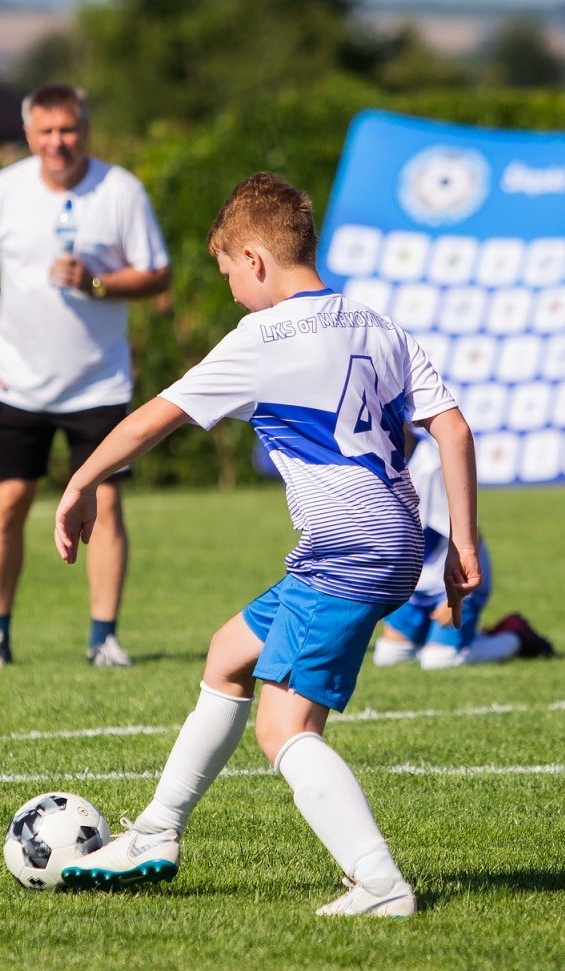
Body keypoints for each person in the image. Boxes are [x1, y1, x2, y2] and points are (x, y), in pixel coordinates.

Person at [51, 173, 482, 916]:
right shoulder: (377, 322)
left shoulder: (263, 337)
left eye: (228, 276)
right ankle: (157, 830)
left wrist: (80, 482)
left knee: (283, 725)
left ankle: (380, 883)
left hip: (346, 546)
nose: (232, 294)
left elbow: (152, 419)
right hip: (392, 537)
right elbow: (452, 428)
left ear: (254, 258)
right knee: (227, 653)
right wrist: (463, 544)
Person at [0, 83, 170, 668]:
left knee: (103, 508)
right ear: (29, 134)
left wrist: (98, 282)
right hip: (17, 381)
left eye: (68, 130)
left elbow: (157, 275)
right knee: (9, 503)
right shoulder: (4, 190)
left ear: (85, 129)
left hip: (97, 383)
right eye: (46, 131)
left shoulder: (120, 190)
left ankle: (104, 639)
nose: (58, 142)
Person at [371, 431, 555, 670]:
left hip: (451, 582)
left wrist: (457, 594)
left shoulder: (431, 466)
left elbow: (470, 533)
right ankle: (435, 636)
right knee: (389, 657)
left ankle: (515, 636)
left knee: (439, 661)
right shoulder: (372, 463)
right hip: (412, 586)